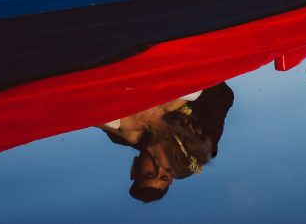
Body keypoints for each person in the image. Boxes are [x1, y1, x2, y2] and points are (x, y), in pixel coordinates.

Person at [99, 83, 234, 203]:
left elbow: (92, 110)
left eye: (149, 174)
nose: (159, 167)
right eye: (165, 175)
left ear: (134, 169)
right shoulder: (201, 147)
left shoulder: (123, 134)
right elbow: (223, 96)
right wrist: (173, 102)